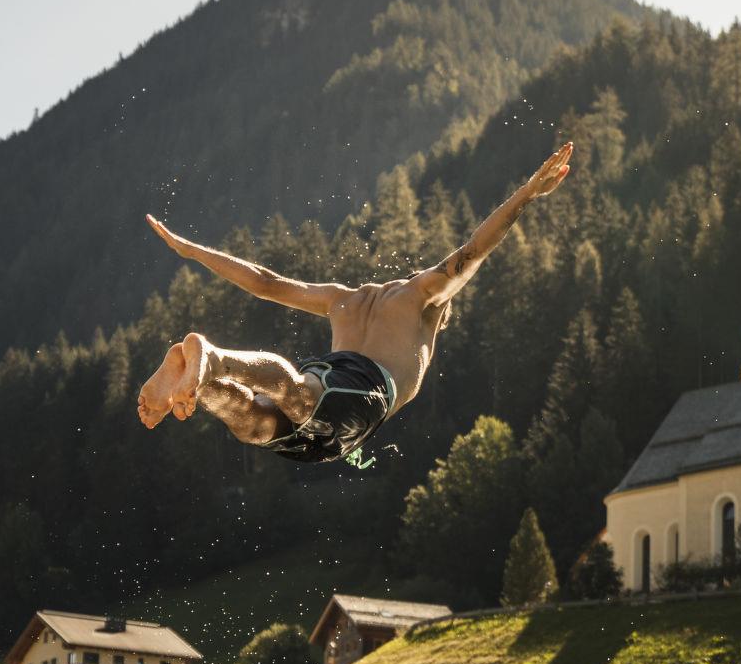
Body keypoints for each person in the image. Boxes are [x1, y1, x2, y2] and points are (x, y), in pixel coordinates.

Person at [137, 142, 573, 465]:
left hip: (331, 388)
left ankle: (202, 381)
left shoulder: (343, 299)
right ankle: (214, 359)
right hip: (362, 389)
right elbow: (473, 252)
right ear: (440, 313)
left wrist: (192, 251)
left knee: (256, 423)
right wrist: (526, 195)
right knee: (294, 397)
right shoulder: (424, 297)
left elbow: (265, 283)